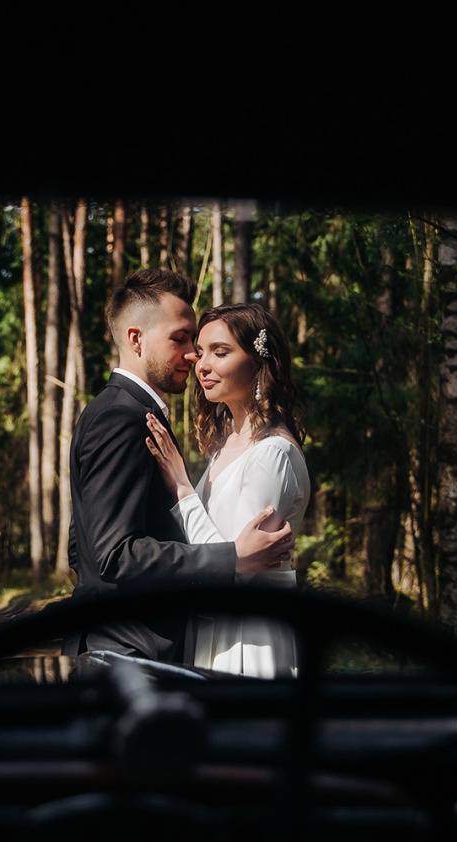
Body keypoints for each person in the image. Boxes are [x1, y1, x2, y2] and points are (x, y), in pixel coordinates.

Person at [64, 270, 295, 663]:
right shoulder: (122, 418)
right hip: (132, 651)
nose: (192, 353)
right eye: (180, 338)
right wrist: (231, 558)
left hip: (126, 642)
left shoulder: (119, 411)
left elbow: (80, 547)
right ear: (136, 339)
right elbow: (114, 554)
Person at [143, 302, 310, 677]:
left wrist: (183, 488)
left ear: (257, 361)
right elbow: (227, 558)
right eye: (201, 353)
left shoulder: (273, 454)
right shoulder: (226, 446)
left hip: (250, 637)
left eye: (220, 352)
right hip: (213, 627)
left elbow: (239, 568)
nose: (202, 365)